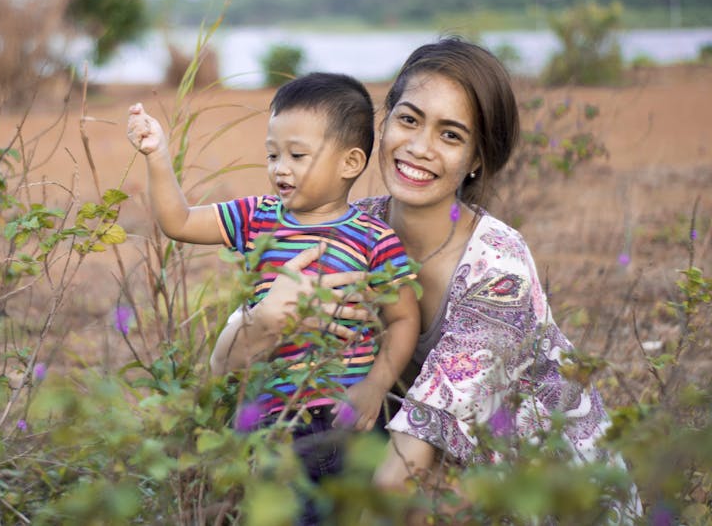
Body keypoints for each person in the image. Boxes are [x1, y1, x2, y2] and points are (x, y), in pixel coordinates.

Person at [210, 38, 641, 523]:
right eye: (409, 119)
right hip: (420, 469)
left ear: (477, 159)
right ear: (385, 119)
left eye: (451, 135)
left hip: (539, 491)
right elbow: (224, 365)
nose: (419, 147)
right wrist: (265, 317)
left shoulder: (498, 271)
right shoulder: (353, 230)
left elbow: (405, 470)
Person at [127, 73, 420, 521]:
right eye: (272, 154)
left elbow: (402, 319)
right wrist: (157, 156)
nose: (280, 167)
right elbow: (179, 221)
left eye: (297, 155)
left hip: (350, 419)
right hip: (276, 425)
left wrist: (376, 384)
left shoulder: (374, 239)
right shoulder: (258, 217)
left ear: (350, 161)